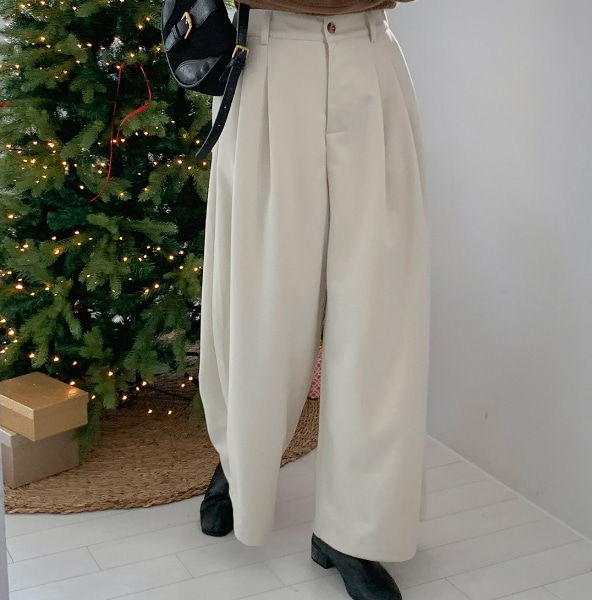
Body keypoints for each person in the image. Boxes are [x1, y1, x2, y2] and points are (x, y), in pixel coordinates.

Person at [198, 1, 430, 598]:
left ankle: (354, 530)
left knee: (382, 309)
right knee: (260, 301)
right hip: (266, 56)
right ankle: (240, 460)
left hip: (369, 56)